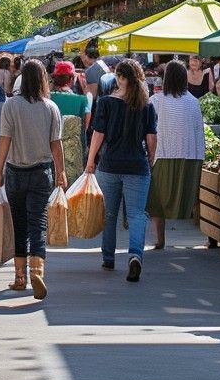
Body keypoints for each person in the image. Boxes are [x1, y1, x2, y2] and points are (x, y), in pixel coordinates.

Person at [0, 59, 66, 299]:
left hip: (15, 172)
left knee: (19, 225)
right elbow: (56, 144)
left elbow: (4, 140)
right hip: (41, 173)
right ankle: (38, 271)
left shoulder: (11, 105)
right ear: (43, 79)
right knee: (38, 224)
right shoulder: (51, 107)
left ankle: (19, 277)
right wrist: (61, 172)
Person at [86, 59, 158, 282]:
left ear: (120, 78)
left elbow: (98, 134)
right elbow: (151, 138)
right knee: (137, 214)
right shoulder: (146, 105)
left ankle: (108, 257)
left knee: (109, 214)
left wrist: (90, 161)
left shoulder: (106, 103)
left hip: (109, 165)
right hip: (137, 165)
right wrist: (150, 159)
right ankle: (135, 255)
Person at [147, 60, 206, 249]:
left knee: (156, 200)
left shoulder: (156, 101)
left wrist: (149, 154)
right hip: (190, 155)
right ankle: (206, 238)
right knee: (193, 199)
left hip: (163, 155)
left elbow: (149, 131)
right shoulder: (194, 102)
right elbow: (199, 131)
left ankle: (161, 239)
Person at [50, 60, 91, 183]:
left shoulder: (47, 98)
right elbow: (85, 125)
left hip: (50, 150)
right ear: (72, 78)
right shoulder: (82, 100)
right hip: (74, 154)